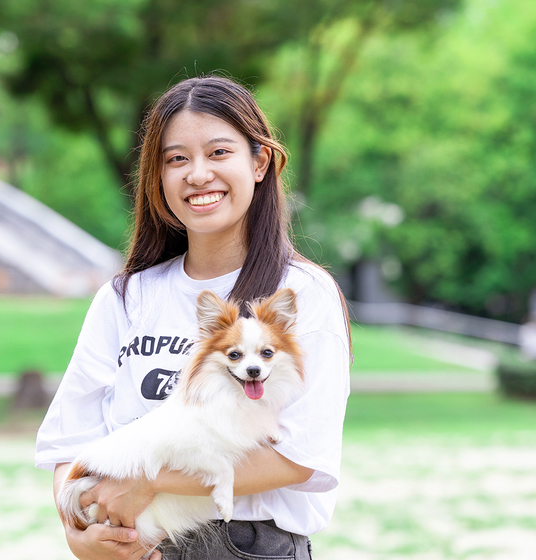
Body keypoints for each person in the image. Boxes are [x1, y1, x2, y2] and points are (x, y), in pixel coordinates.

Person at [35, 75, 351, 560]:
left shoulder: (303, 295)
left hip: (243, 545)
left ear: (260, 161)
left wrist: (145, 479)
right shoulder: (126, 297)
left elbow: (299, 456)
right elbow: (69, 440)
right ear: (158, 176)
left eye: (219, 152)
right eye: (176, 158)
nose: (197, 174)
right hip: (132, 544)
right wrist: (79, 528)